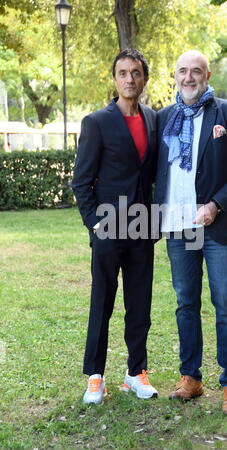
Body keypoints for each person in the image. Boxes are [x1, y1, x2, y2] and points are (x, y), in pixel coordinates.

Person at [154, 50, 227, 414]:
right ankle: (191, 378)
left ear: (207, 74)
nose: (188, 77)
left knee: (225, 301)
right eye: (182, 71)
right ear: (175, 74)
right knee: (185, 302)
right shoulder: (164, 118)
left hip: (218, 225)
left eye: (195, 71)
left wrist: (215, 205)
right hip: (178, 227)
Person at [72, 48, 158, 405]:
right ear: (114, 78)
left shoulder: (154, 118)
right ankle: (95, 376)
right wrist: (94, 223)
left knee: (140, 303)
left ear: (144, 79)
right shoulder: (97, 122)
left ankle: (136, 373)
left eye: (135, 73)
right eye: (122, 73)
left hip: (143, 227)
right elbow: (81, 181)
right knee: (102, 302)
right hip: (107, 228)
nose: (129, 79)